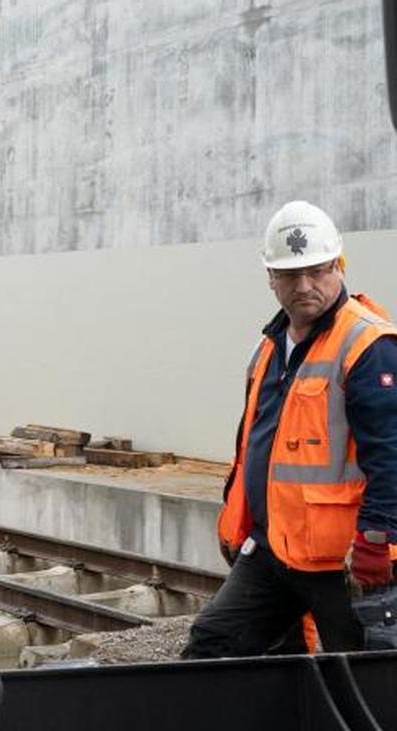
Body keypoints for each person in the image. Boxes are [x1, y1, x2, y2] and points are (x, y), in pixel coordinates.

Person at [183, 201, 397, 658]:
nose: (304, 287)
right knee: (212, 647)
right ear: (271, 278)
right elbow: (256, 445)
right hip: (275, 549)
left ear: (339, 266)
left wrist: (377, 540)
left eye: (317, 272)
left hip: (343, 560)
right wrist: (242, 520)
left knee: (360, 676)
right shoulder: (269, 348)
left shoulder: (366, 345)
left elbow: (390, 453)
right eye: (290, 275)